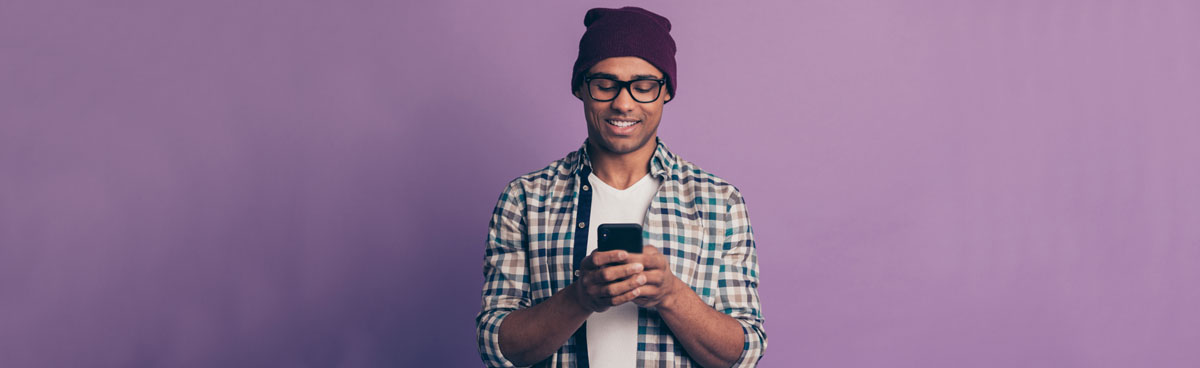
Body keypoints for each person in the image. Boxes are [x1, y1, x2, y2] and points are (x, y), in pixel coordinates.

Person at [476, 7, 766, 368]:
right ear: (581, 87)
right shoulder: (525, 199)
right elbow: (496, 346)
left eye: (643, 86)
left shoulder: (720, 203)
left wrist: (671, 294)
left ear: (666, 92)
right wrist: (580, 298)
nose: (623, 103)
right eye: (605, 85)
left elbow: (744, 352)